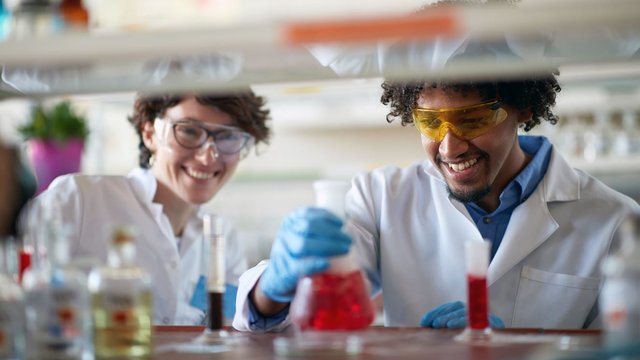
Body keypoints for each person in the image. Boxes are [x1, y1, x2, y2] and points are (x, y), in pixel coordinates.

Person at [232, 67, 640, 331]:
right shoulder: (379, 198)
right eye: (430, 122)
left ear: (522, 108)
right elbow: (305, 323)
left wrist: (521, 350)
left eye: (472, 119)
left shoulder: (615, 221)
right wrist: (273, 287)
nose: (449, 148)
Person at [24, 90, 271, 325]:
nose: (207, 157)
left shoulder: (223, 237)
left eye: (227, 136)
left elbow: (232, 333)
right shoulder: (78, 200)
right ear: (150, 133)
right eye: (189, 131)